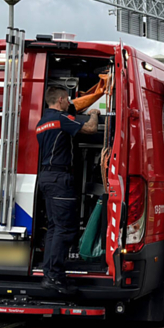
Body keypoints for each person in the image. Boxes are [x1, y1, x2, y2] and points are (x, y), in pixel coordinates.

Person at [36, 86, 99, 294]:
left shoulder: (43, 121)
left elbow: (71, 112)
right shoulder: (61, 119)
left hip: (46, 176)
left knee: (54, 227)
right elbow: (90, 130)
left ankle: (52, 275)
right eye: (67, 100)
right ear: (61, 99)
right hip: (59, 177)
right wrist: (94, 115)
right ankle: (53, 276)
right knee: (64, 229)